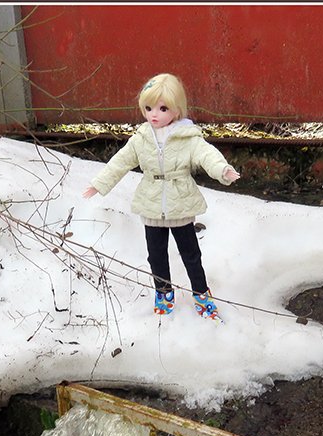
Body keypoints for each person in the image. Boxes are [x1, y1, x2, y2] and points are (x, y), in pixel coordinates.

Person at [83, 72, 240, 322]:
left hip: (180, 203)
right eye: (148, 108)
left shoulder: (188, 137)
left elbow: (206, 155)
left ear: (176, 110)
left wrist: (222, 170)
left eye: (162, 108)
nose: (154, 114)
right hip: (152, 204)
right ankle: (163, 293)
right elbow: (120, 162)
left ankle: (201, 294)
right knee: (155, 254)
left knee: (191, 254)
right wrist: (99, 184)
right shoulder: (142, 139)